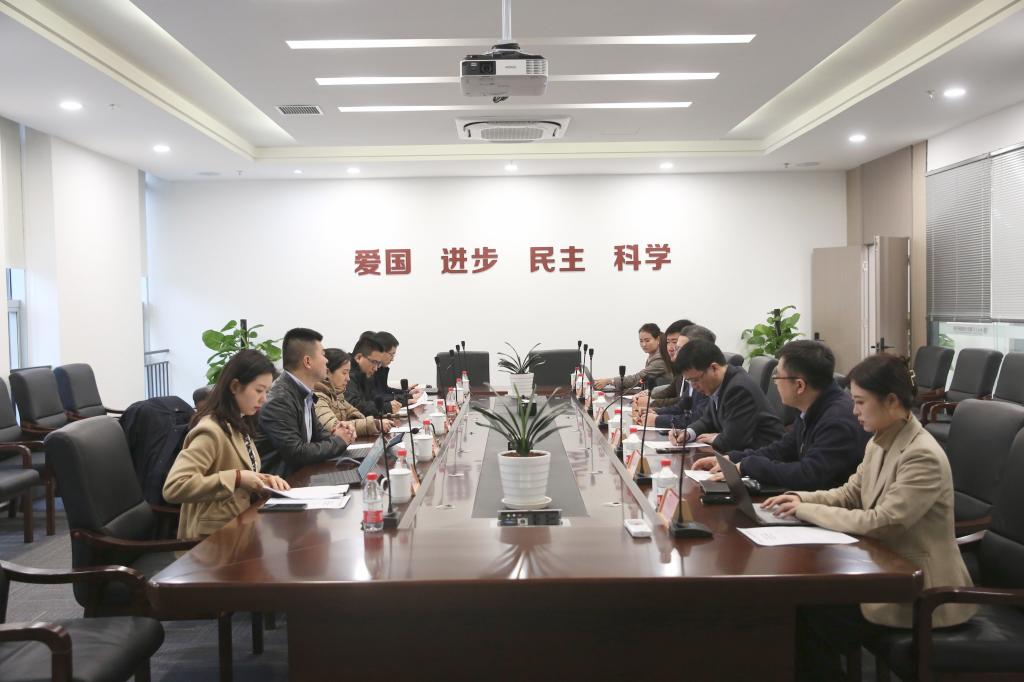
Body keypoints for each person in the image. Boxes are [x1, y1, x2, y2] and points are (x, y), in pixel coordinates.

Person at [762, 354, 976, 678]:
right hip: (885, 571)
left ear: (891, 401)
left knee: (808, 611)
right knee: (801, 607)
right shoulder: (880, 440)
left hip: (922, 592)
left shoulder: (921, 455)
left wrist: (807, 510)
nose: (854, 411)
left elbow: (882, 522)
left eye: (860, 402)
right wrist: (800, 498)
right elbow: (850, 493)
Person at [693, 340, 868, 491]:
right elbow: (783, 449)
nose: (775, 383)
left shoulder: (837, 419)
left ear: (799, 385)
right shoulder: (813, 406)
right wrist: (732, 459)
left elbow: (809, 475)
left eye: (777, 377)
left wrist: (749, 466)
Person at [163, 349, 290, 539]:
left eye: (267, 391)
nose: (264, 399)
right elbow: (174, 487)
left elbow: (238, 468)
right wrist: (237, 478)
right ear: (235, 386)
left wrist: (263, 480)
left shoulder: (239, 422)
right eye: (259, 390)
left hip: (239, 527)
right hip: (211, 540)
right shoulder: (211, 431)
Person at [259, 328, 356, 477]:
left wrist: (339, 432)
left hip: (303, 475)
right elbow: (296, 453)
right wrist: (339, 441)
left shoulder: (303, 391)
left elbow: (317, 435)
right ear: (308, 361)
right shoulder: (280, 399)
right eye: (323, 354)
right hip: (284, 483)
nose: (327, 361)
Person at [672, 340, 785, 452]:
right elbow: (707, 420)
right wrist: (688, 433)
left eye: (695, 380)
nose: (693, 386)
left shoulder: (738, 389)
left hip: (764, 455)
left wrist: (716, 438)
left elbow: (734, 441)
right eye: (689, 381)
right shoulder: (721, 383)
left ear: (714, 368)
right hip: (743, 454)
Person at [315, 348, 394, 436]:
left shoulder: (338, 396)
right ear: (327, 372)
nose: (348, 379)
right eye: (344, 373)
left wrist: (353, 423)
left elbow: (358, 416)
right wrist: (376, 424)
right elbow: (335, 428)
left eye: (348, 373)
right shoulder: (317, 398)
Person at [595, 323, 672, 391]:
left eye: (647, 340)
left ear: (657, 339)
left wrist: (609, 381)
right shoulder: (654, 354)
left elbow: (637, 378)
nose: (644, 344)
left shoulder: (660, 358)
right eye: (641, 341)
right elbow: (642, 380)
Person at [345, 332, 393, 416]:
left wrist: (403, 398)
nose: (375, 368)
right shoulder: (348, 373)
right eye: (374, 362)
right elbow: (353, 405)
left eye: (378, 363)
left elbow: (374, 397)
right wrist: (387, 407)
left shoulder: (365, 373)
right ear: (359, 357)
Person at [373, 331, 422, 405]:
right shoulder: (368, 371)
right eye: (391, 354)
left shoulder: (380, 369)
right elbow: (378, 397)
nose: (392, 359)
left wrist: (407, 393)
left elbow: (384, 390)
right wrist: (408, 397)